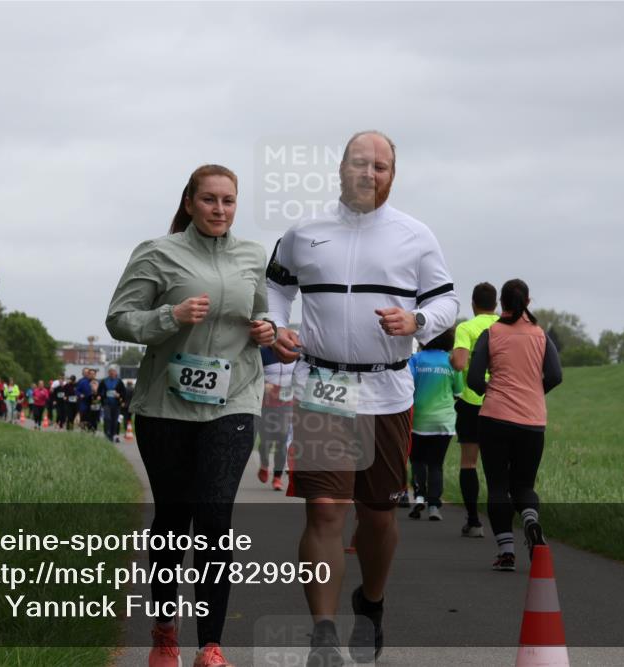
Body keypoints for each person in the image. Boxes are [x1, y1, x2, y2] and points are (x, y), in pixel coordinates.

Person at [267, 131, 459, 666]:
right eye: (359, 163)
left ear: (392, 174)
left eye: (380, 166)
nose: (368, 173)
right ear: (340, 168)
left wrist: (417, 320)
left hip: (387, 388)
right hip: (323, 386)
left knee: (377, 516)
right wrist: (276, 324)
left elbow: (447, 301)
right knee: (325, 510)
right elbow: (276, 286)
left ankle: (370, 603)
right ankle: (323, 634)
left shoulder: (415, 236)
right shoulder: (304, 232)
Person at [106, 163, 274, 667]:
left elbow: (260, 314)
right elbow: (118, 319)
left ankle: (211, 645)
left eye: (228, 201)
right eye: (209, 200)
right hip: (167, 405)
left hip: (234, 398)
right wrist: (168, 317)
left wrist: (266, 331)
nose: (219, 210)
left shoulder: (251, 256)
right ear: (189, 202)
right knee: (175, 520)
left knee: (216, 518)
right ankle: (164, 635)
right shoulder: (157, 253)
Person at [466, 279, 563, 572]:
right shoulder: (541, 335)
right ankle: (531, 521)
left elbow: (472, 379)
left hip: (495, 418)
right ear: (528, 302)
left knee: (498, 484)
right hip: (532, 421)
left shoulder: (490, 333)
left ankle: (506, 552)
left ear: (501, 305)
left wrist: (490, 391)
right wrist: (534, 394)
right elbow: (555, 375)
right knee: (524, 484)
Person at [449, 282, 500, 538]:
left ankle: (473, 521)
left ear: (473, 304)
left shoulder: (466, 328)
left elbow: (459, 364)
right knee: (500, 465)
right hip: (502, 402)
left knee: (469, 463)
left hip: (472, 400)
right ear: (496, 305)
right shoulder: (505, 327)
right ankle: (504, 526)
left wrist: (452, 358)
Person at [407, 328, 464, 521]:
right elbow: (458, 391)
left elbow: (408, 387)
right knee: (436, 464)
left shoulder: (415, 360)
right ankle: (434, 506)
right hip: (444, 422)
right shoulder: (450, 361)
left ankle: (419, 497)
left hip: (418, 421)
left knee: (417, 461)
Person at [258, 346, 295, 491]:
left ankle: (277, 477)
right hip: (265, 403)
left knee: (282, 438)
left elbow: (302, 372)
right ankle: (264, 464)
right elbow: (252, 373)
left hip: (286, 403)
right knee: (266, 441)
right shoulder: (263, 352)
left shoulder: (294, 353)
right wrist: (262, 385)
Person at [100, 366, 128, 442]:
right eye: (111, 372)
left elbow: (124, 393)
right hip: (107, 403)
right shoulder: (104, 381)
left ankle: (112, 434)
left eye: (113, 372)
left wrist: (120, 396)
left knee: (115, 420)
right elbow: (100, 391)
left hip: (116, 404)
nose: (112, 373)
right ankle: (107, 433)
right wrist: (103, 397)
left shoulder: (119, 382)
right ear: (108, 373)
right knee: (107, 418)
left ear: (116, 373)